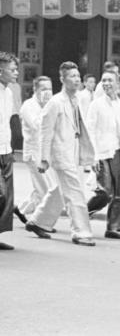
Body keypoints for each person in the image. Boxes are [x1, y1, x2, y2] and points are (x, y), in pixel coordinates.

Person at [27, 61, 96, 246]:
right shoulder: (55, 102)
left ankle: (38, 221)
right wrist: (43, 159)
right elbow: (45, 132)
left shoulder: (77, 100)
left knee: (59, 190)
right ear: (62, 79)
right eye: (72, 76)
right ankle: (81, 232)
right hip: (60, 154)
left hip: (72, 152)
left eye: (77, 75)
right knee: (75, 192)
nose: (76, 79)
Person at [86, 70, 120, 239]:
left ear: (118, 85)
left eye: (110, 80)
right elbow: (89, 130)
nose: (106, 83)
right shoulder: (96, 104)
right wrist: (93, 155)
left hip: (118, 151)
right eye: (103, 80)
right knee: (105, 192)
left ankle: (112, 227)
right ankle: (83, 215)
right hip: (101, 152)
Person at [15, 76, 58, 224]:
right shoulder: (28, 106)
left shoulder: (51, 105)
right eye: (43, 89)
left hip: (46, 153)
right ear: (35, 89)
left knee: (43, 187)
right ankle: (39, 221)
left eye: (50, 89)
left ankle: (21, 209)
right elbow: (37, 126)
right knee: (45, 189)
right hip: (33, 153)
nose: (47, 92)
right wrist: (47, 109)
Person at [0, 52, 19, 250]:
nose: (16, 73)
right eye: (12, 70)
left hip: (5, 149)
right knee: (1, 194)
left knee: (7, 197)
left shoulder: (9, 92)